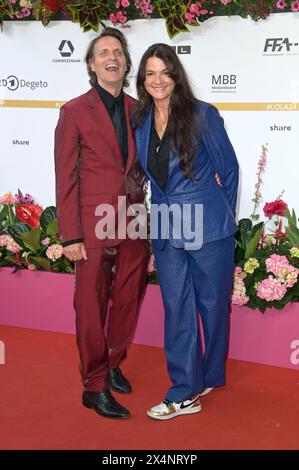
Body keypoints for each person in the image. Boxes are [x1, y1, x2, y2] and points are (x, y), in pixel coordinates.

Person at [133, 43, 239, 420]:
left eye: (164, 72)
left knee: (211, 307)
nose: (157, 80)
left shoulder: (202, 115)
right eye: (150, 73)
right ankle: (183, 392)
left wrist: (218, 217)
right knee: (176, 308)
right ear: (142, 80)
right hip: (165, 226)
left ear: (176, 75)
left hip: (208, 226)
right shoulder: (141, 121)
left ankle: (209, 374)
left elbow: (229, 171)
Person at [54, 28, 148, 420]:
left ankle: (112, 362)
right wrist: (70, 234)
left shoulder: (139, 109)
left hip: (134, 221)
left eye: (118, 51)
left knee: (128, 299)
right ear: (92, 65)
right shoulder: (73, 111)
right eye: (103, 52)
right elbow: (66, 176)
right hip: (91, 226)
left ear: (125, 63)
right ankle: (93, 386)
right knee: (91, 306)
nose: (112, 57)